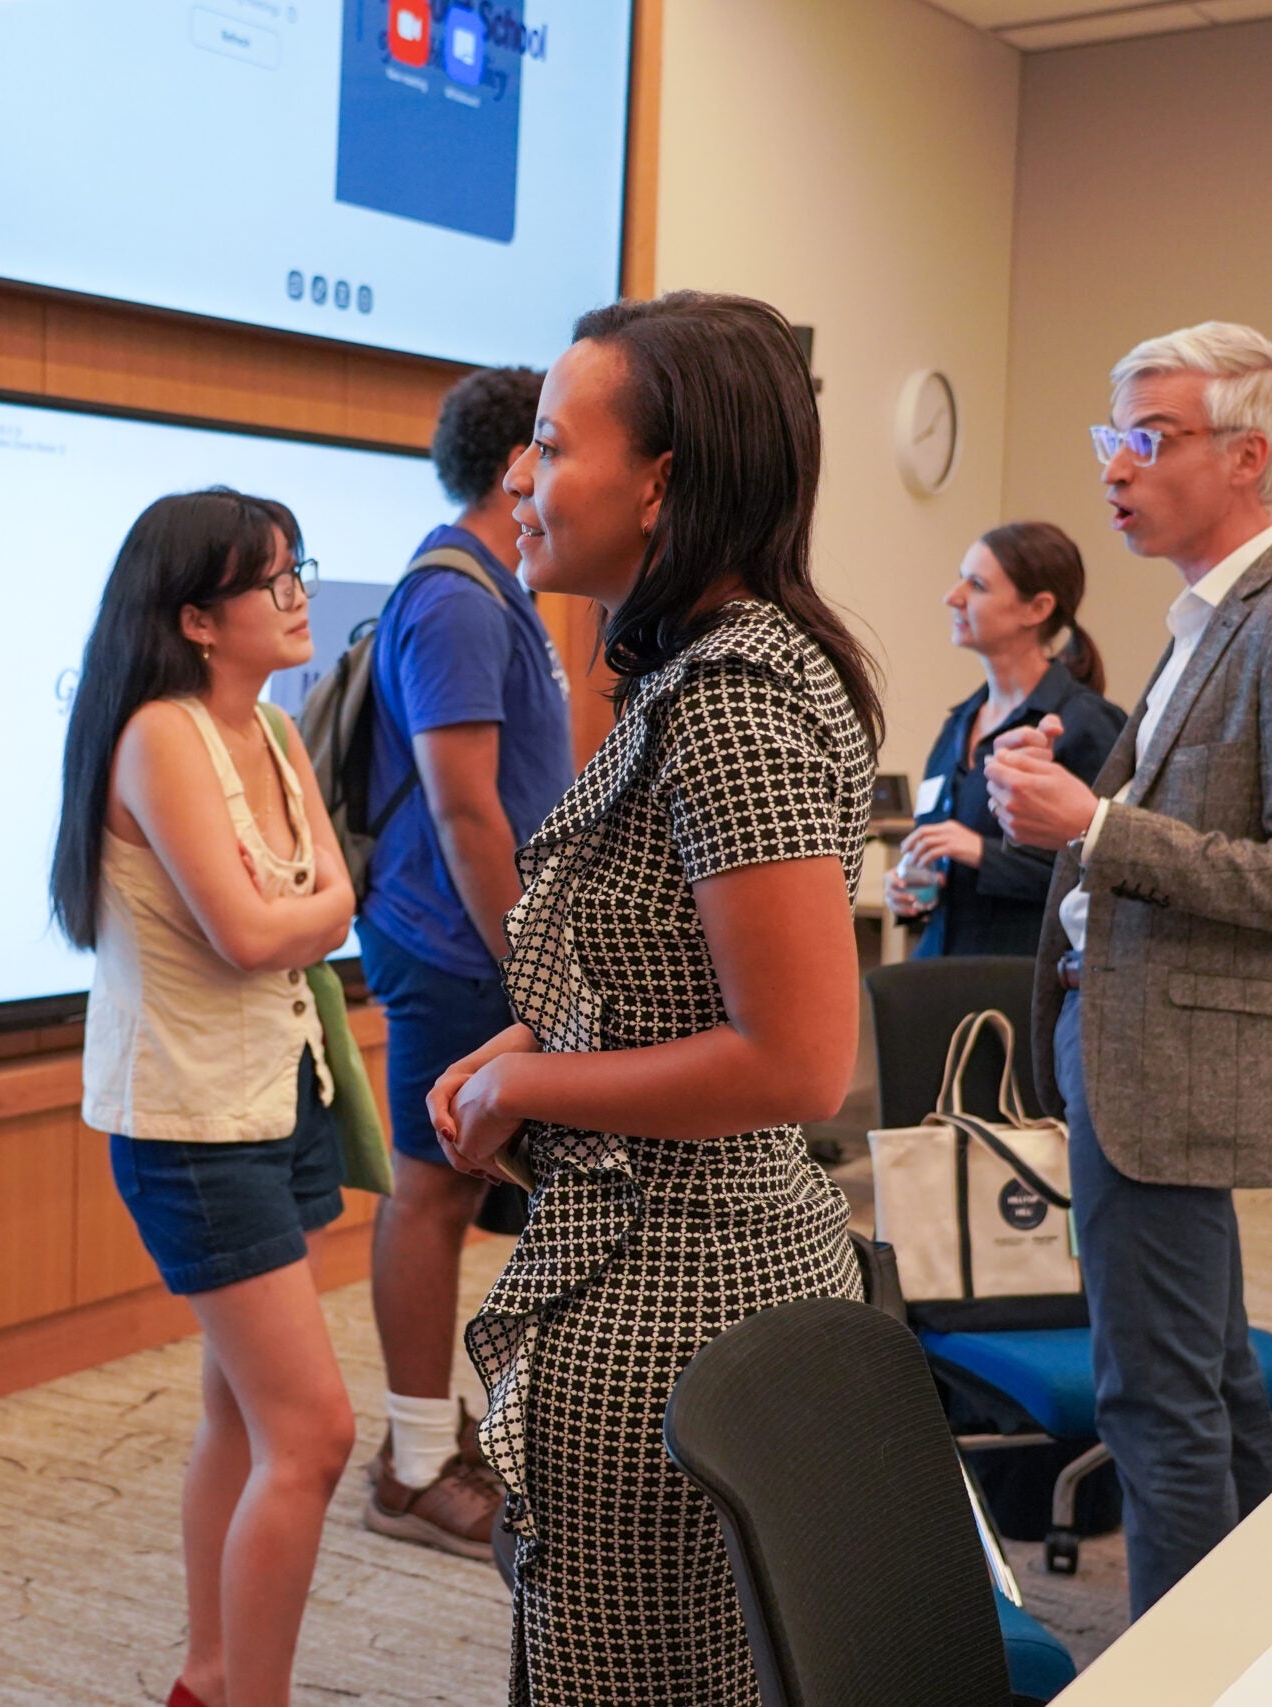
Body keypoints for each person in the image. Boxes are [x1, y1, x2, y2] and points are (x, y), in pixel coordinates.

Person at [432, 293, 877, 1704]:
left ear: (663, 480)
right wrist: (528, 1037)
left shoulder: (729, 700)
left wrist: (523, 1082)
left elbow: (798, 1058)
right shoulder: (701, 668)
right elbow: (667, 970)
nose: (522, 477)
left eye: (555, 444)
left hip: (686, 1286)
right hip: (691, 1262)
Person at [986, 321, 1272, 1615]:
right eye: (1114, 436)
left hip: (1180, 1061)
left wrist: (1092, 825)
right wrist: (1062, 800)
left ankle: (1189, 1664)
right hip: (1131, 1042)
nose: (1116, 466)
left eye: (1149, 438)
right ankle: (1260, 1641)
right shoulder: (1209, 619)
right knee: (1207, 1385)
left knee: (1154, 1399)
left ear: (1248, 455)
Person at [50, 489, 360, 1707]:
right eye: (272, 581)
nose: (299, 597)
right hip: (190, 1123)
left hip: (281, 1094)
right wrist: (315, 916)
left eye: (298, 570)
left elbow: (336, 899)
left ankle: (209, 1676)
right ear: (194, 617)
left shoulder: (276, 733)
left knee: (241, 1412)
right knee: (315, 1433)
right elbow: (254, 931)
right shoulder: (161, 735)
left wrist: (312, 917)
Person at [357, 365, 572, 1558]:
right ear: (517, 463)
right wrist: (528, 958)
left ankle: (447, 1434)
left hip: (477, 938)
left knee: (457, 1193)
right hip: (453, 943)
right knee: (431, 1192)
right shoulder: (453, 596)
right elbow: (463, 809)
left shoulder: (499, 587)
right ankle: (414, 1460)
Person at [887, 521, 1124, 956]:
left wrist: (982, 852)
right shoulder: (958, 724)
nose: (952, 596)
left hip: (1024, 984)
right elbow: (934, 850)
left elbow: (1110, 869)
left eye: (976, 584)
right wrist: (909, 891)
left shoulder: (1086, 724)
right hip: (939, 976)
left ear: (1035, 609)